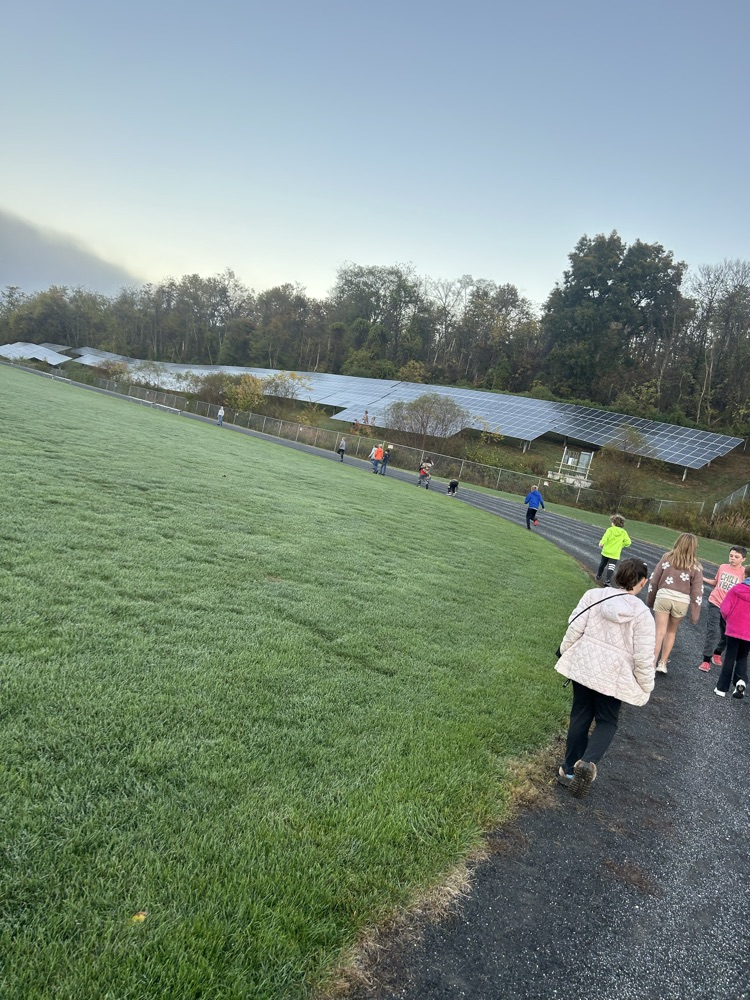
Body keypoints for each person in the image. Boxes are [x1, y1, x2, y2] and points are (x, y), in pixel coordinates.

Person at [556, 559, 655, 798]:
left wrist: (563, 649)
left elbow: (574, 627)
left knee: (580, 713)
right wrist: (645, 684)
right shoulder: (642, 615)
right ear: (642, 583)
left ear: (618, 575)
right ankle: (588, 762)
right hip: (615, 676)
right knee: (607, 720)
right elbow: (644, 656)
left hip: (585, 664)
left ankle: (569, 770)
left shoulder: (594, 596)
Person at [646, 533, 703, 675]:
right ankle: (663, 663)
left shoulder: (667, 558)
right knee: (671, 632)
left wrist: (650, 600)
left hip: (664, 595)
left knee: (659, 631)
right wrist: (695, 615)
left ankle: (651, 663)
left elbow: (654, 580)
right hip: (681, 601)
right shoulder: (696, 566)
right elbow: (697, 592)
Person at [698, 545, 747, 671]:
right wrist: (702, 578)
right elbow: (717, 582)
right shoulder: (723, 567)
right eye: (731, 556)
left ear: (743, 559)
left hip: (731, 607)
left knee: (727, 634)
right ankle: (706, 660)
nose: (732, 559)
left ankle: (718, 652)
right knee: (712, 631)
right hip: (715, 602)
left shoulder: (743, 573)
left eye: (736, 557)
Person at [714, 566, 750, 699]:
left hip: (733, 629)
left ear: (745, 574)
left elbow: (724, 609)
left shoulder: (736, 589)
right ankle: (740, 681)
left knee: (730, 657)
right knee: (743, 656)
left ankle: (722, 688)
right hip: (748, 633)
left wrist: (729, 620)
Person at [596, 514, 632, 585]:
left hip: (606, 551)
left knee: (602, 564)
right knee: (611, 567)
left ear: (614, 523)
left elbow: (605, 537)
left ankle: (599, 575)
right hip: (615, 553)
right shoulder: (623, 532)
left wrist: (601, 543)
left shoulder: (610, 530)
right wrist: (621, 545)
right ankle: (608, 580)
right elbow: (628, 542)